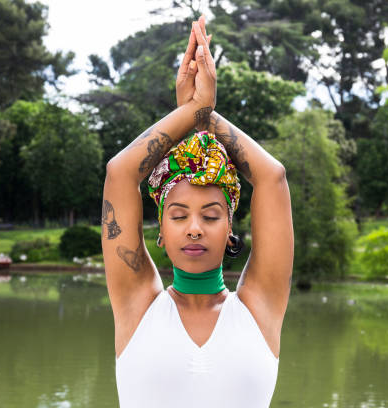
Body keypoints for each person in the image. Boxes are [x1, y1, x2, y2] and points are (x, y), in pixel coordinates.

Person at [101, 16, 293, 408]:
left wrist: (202, 112)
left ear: (230, 230)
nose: (194, 229)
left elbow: (272, 176)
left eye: (210, 216)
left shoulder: (259, 309)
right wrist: (194, 110)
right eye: (177, 215)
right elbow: (120, 174)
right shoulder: (137, 305)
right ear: (159, 230)